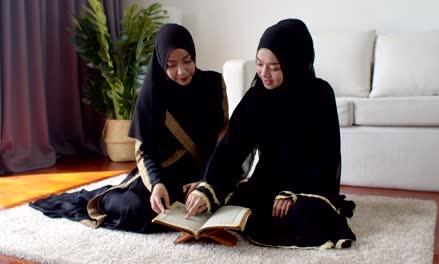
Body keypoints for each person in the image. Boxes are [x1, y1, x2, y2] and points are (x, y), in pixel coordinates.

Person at [30, 23, 229, 233]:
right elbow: (145, 151)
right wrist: (156, 185)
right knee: (140, 212)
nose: (181, 71)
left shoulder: (213, 84)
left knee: (233, 203)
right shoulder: (152, 94)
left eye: (187, 61)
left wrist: (204, 183)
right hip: (164, 175)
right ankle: (105, 198)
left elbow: (221, 141)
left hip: (205, 171)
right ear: (161, 62)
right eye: (171, 64)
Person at [185, 19, 356, 248]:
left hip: (305, 187)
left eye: (274, 67)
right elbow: (231, 146)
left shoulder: (319, 95)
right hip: (267, 185)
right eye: (259, 63)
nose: (264, 73)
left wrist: (293, 192)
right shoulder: (257, 97)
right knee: (230, 201)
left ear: (294, 63)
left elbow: (326, 156)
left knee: (309, 215)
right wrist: (208, 186)